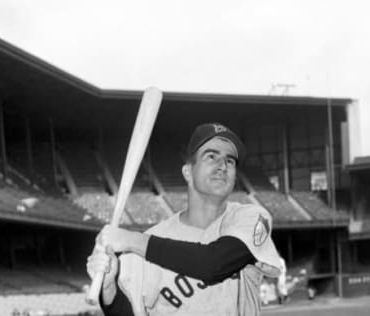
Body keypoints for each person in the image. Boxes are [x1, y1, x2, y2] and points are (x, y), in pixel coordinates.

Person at [87, 123, 282, 316]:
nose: (222, 166)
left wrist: (131, 240)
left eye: (230, 161)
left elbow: (213, 264)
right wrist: (109, 288)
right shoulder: (148, 244)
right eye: (211, 156)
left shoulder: (251, 218)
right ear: (188, 172)